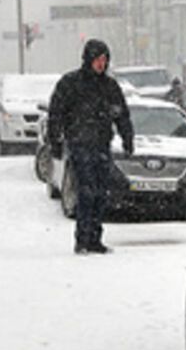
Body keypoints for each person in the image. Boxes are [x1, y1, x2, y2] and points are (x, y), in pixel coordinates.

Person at [47, 39, 135, 254]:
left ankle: (95, 237)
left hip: (101, 145)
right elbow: (55, 114)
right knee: (87, 191)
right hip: (79, 144)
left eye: (104, 60)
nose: (101, 64)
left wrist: (127, 138)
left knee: (101, 193)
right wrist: (55, 141)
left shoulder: (110, 87)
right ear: (88, 60)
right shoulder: (70, 84)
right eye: (97, 60)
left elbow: (121, 114)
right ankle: (83, 238)